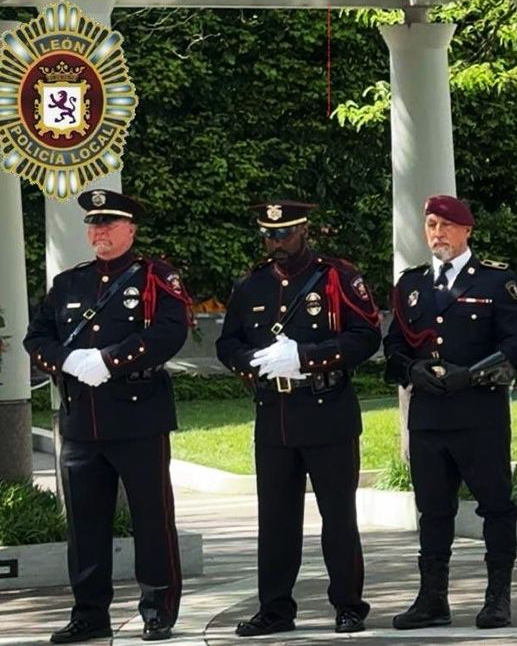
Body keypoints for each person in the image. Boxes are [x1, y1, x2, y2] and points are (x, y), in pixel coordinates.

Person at [25, 189, 190, 643]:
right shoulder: (69, 283)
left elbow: (170, 333)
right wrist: (66, 361)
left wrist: (111, 360)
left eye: (109, 224)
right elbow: (36, 337)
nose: (99, 232)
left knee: (152, 517)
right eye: (93, 225)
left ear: (131, 230)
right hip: (81, 422)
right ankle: (89, 613)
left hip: (138, 419)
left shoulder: (156, 277)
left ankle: (158, 608)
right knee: (84, 523)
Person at [215, 200, 380, 636]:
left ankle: (348, 604)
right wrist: (254, 362)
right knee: (275, 520)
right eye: (269, 236)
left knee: (337, 516)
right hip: (274, 414)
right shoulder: (251, 284)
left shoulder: (337, 277)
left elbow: (366, 336)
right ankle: (274, 609)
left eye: (284, 234)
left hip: (326, 409)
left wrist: (307, 357)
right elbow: (227, 344)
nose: (276, 244)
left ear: (304, 231)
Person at [383, 195, 517, 630]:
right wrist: (411, 369)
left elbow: (516, 344)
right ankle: (432, 599)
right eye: (431, 225)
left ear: (467, 230)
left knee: (496, 507)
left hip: (478, 413)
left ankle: (497, 598)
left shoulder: (492, 281)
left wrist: (472, 375)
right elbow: (393, 346)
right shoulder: (412, 285)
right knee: (432, 510)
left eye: (446, 226)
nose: (437, 234)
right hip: (428, 416)